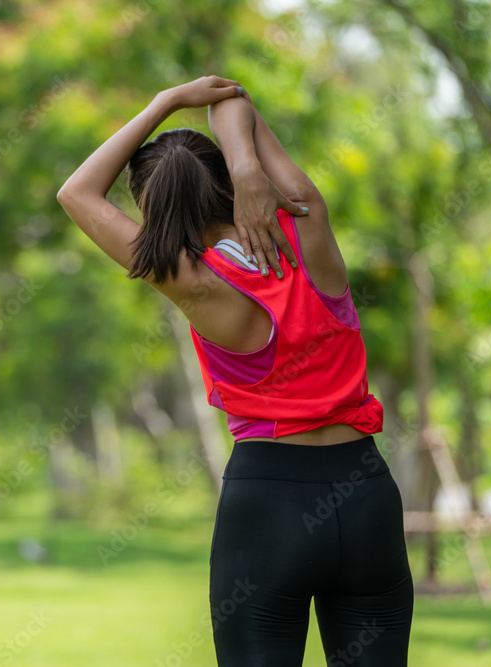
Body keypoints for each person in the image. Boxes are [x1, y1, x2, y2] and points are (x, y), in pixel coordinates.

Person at [56, 76, 413, 666]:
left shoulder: (191, 282)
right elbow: (234, 97)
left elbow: (77, 193)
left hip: (269, 504)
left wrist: (162, 101)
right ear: (226, 182)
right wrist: (247, 164)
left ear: (151, 206)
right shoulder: (307, 221)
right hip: (367, 495)